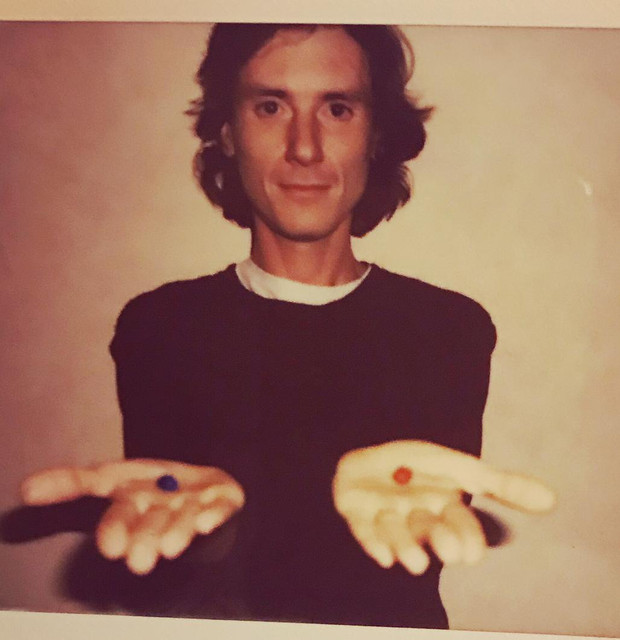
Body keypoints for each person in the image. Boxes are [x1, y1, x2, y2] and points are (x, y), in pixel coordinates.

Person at [20, 24, 554, 628]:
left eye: (337, 108)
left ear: (375, 135)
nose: (305, 147)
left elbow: (416, 547)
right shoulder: (159, 328)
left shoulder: (449, 330)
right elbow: (176, 534)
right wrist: (203, 532)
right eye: (270, 106)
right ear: (228, 131)